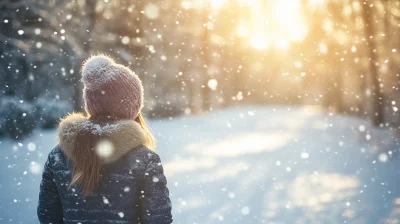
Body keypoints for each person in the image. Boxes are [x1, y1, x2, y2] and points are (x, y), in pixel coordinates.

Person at [37, 55, 173, 224]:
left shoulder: (57, 156)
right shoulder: (145, 160)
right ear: (132, 107)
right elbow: (159, 220)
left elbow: (47, 216)